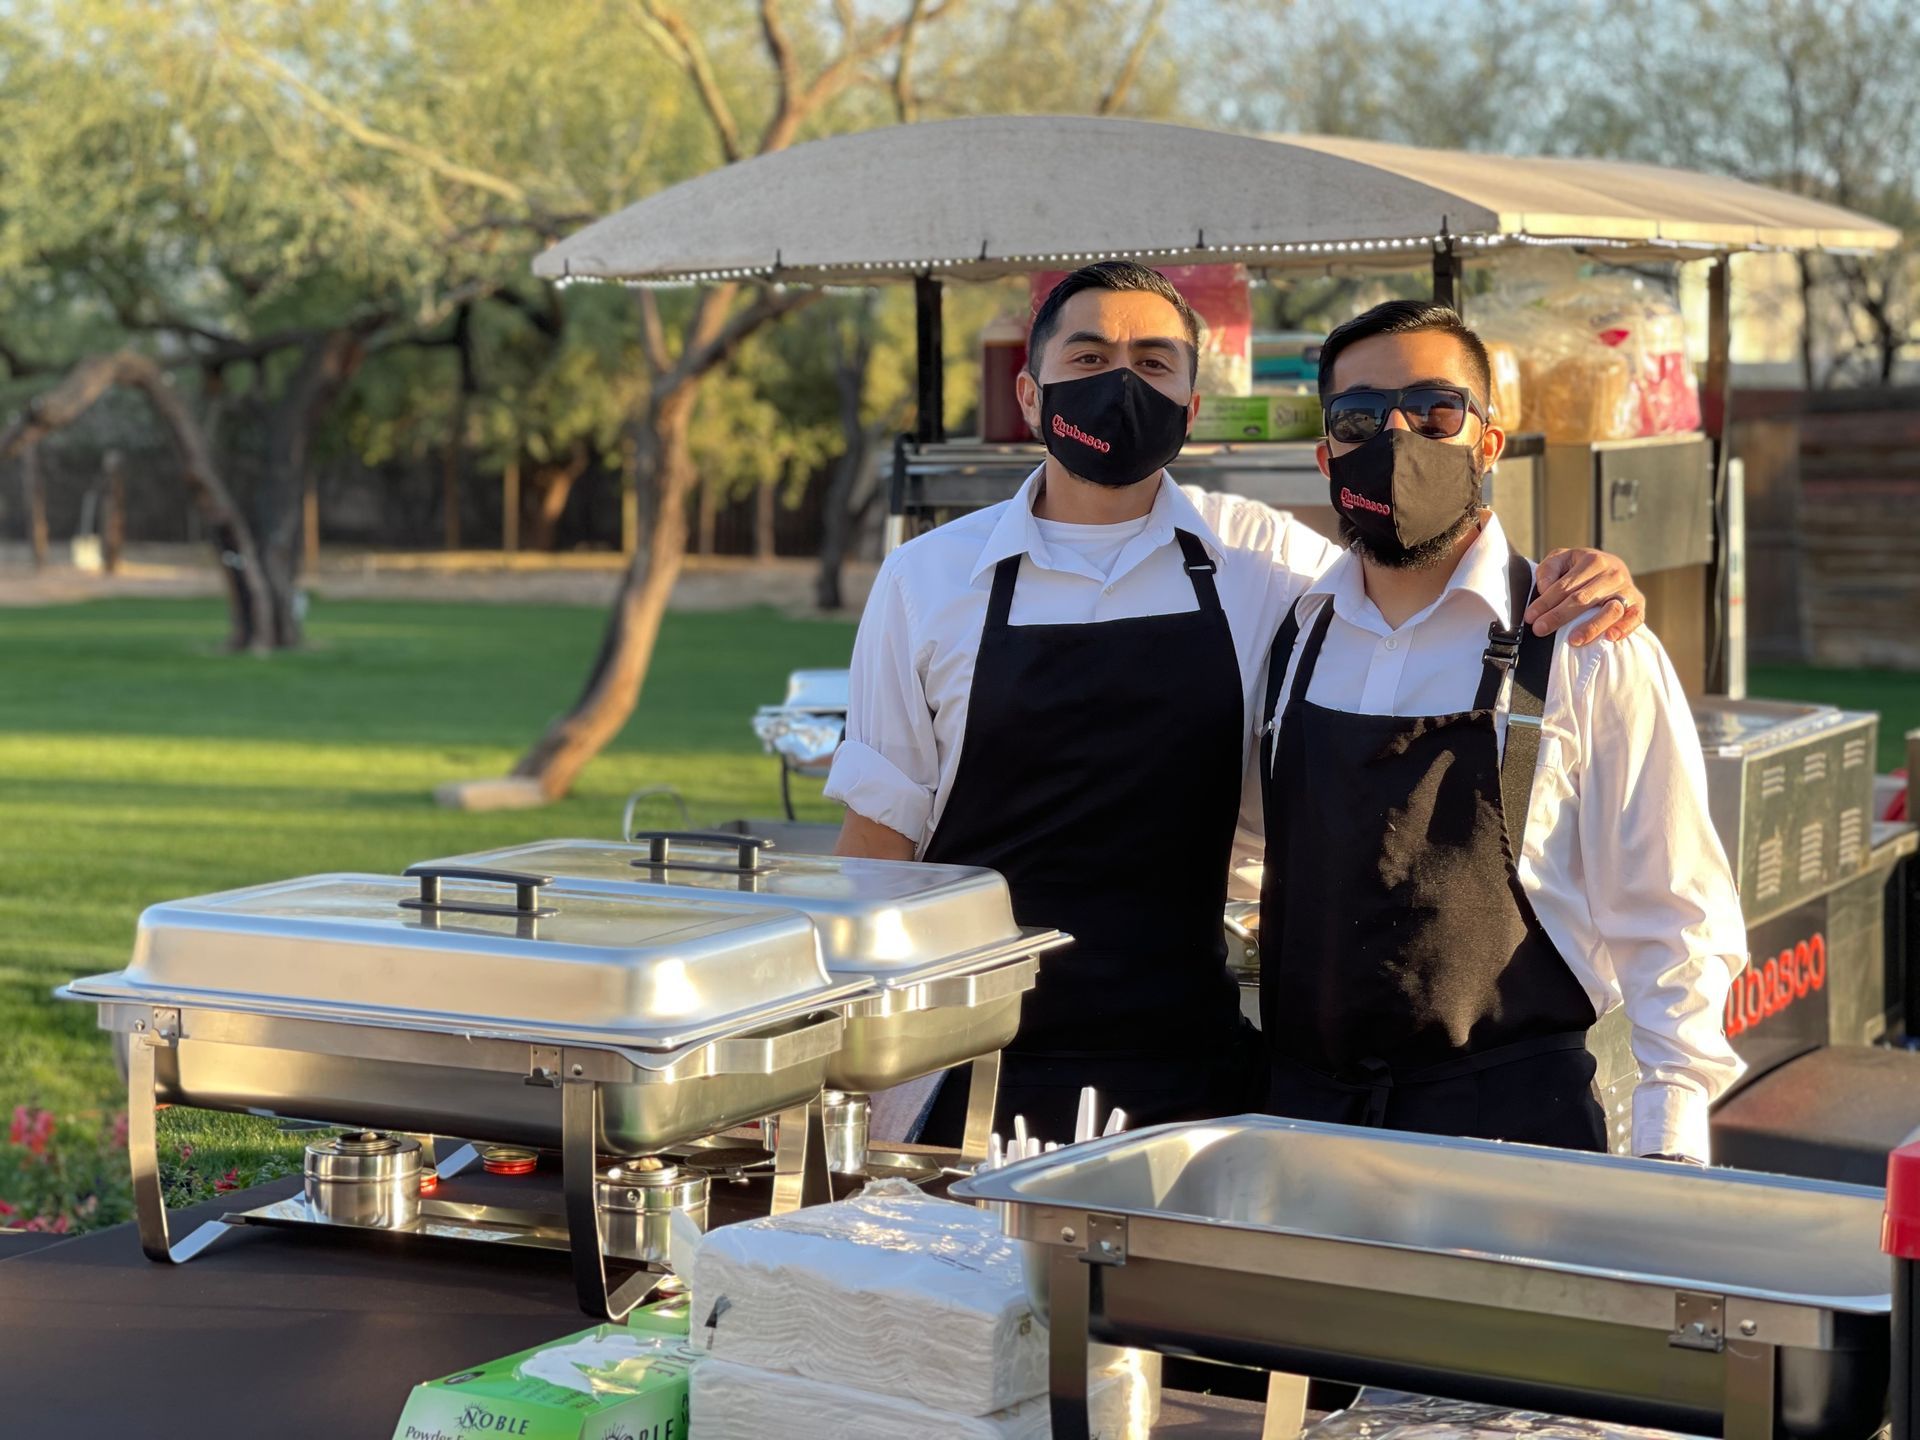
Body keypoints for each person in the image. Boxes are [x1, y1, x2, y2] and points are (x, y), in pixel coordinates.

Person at [827, 262, 1645, 1146]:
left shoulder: (1258, 560)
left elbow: (1415, 584)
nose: (1118, 383)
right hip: (970, 1069)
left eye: (1151, 364)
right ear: (1030, 394)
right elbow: (879, 849)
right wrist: (854, 1081)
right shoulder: (928, 579)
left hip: (1191, 1073)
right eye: (1090, 355)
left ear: (1189, 402)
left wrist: (1572, 575)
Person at [1256, 299, 1746, 1162]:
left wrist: (1672, 1147)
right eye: (1362, 416)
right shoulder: (1293, 634)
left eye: (1436, 410)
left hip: (1514, 1135)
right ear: (1326, 453)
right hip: (1305, 1131)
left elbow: (1675, 913)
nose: (1399, 435)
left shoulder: (1588, 648)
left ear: (1488, 440)